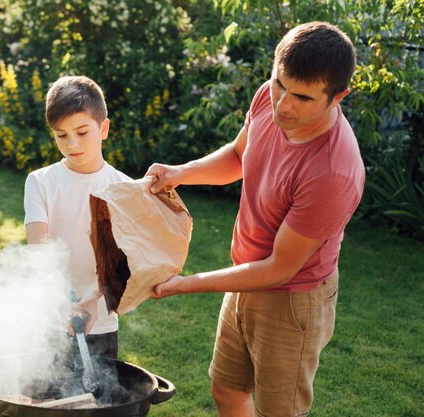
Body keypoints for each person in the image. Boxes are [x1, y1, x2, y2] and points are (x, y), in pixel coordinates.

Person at [145, 22, 365, 416]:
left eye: (302, 97)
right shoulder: (268, 96)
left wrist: (184, 285)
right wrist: (182, 172)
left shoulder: (333, 171)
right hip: (245, 276)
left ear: (338, 97)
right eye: (280, 83)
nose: (283, 105)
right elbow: (237, 156)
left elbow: (279, 269)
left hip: (293, 298)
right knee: (227, 390)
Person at [24, 75, 131, 359]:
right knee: (45, 401)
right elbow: (39, 251)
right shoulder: (40, 182)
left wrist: (93, 299)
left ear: (104, 128)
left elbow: (124, 261)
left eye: (82, 132)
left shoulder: (124, 189)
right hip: (50, 318)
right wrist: (60, 302)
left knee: (97, 400)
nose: (72, 144)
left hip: (100, 319)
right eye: (62, 135)